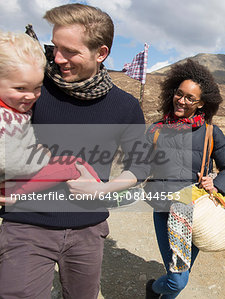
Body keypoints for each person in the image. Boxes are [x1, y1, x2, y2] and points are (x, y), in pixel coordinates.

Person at [0, 4, 149, 299]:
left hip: (88, 232)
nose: (57, 58)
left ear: (101, 53)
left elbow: (141, 167)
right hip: (25, 226)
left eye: (70, 51)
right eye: (55, 47)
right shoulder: (31, 88)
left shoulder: (126, 106)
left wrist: (103, 189)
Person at [144, 59, 225, 298]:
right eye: (179, 94)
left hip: (195, 211)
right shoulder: (156, 130)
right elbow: (139, 168)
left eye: (190, 98)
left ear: (202, 103)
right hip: (165, 210)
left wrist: (215, 184)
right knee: (177, 280)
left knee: (178, 276)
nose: (181, 101)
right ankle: (153, 290)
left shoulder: (210, 131)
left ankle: (156, 291)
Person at [0, 30, 101, 203]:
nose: (31, 96)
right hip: (10, 183)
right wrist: (42, 156)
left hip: (11, 180)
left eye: (37, 88)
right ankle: (104, 194)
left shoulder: (12, 109)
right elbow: (8, 163)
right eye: (20, 89)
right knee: (73, 164)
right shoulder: (5, 118)